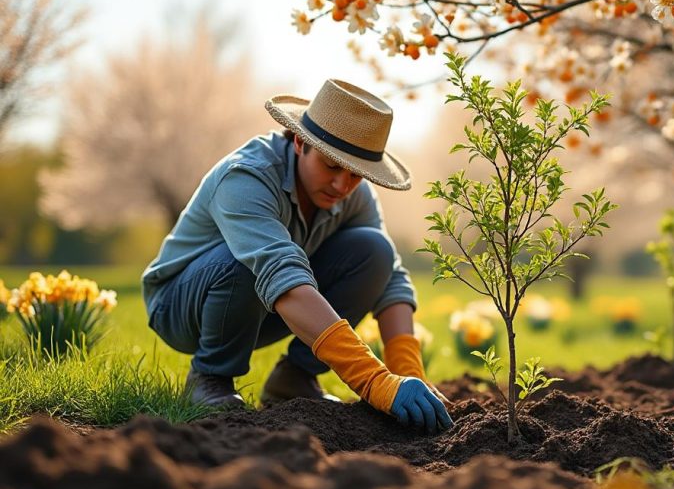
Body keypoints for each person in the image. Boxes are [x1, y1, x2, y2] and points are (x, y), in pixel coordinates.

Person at [141, 79, 452, 433]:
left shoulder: (351, 193)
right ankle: (210, 378)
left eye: (355, 175)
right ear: (301, 142)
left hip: (265, 305)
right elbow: (278, 272)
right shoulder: (247, 177)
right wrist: (373, 382)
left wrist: (408, 372)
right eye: (332, 166)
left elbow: (390, 277)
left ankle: (295, 378)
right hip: (183, 307)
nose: (341, 186)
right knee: (246, 262)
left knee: (375, 251)